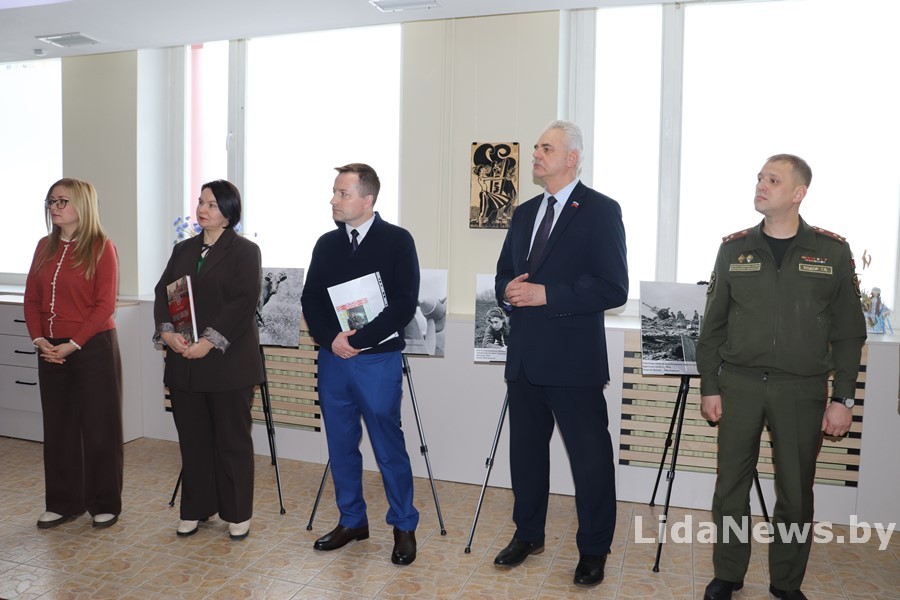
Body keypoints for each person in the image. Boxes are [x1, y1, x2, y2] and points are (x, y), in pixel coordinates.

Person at [697, 154, 866, 600]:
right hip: (740, 385)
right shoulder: (734, 249)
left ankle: (786, 582)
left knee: (795, 491)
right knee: (731, 487)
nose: (761, 185)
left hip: (801, 389)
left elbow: (849, 334)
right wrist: (710, 386)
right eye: (759, 178)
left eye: (773, 180)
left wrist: (842, 398)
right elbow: (712, 328)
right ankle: (728, 573)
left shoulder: (831, 252)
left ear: (798, 193)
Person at [493, 120, 628, 587]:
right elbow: (504, 273)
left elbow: (613, 287)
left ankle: (593, 549)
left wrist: (547, 295)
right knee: (526, 456)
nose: (536, 154)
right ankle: (528, 534)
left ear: (572, 158)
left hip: (573, 362)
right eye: (536, 147)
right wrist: (507, 290)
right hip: (524, 359)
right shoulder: (524, 212)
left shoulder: (600, 210)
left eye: (546, 148)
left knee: (590, 461)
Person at [301, 163, 420, 565]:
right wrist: (330, 339)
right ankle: (352, 520)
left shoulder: (397, 241)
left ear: (367, 200)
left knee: (388, 447)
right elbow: (311, 299)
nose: (333, 200)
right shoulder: (326, 244)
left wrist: (358, 341)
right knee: (340, 445)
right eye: (335, 192)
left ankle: (403, 526)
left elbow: (404, 303)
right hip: (333, 358)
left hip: (377, 360)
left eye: (342, 193)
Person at [153, 180, 263, 541]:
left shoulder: (245, 251)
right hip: (184, 361)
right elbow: (163, 293)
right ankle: (196, 509)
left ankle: (237, 512)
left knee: (231, 441)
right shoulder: (183, 249)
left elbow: (242, 302)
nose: (202, 209)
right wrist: (167, 333)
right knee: (193, 440)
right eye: (201, 202)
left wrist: (208, 342)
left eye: (212, 204)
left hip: (227, 363)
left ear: (229, 213)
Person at [24, 178, 123, 529]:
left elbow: (104, 305)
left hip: (92, 344)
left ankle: (104, 503)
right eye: (51, 201)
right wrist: (39, 339)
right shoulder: (43, 246)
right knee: (59, 427)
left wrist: (74, 343)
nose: (54, 207)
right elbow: (32, 298)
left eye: (62, 201)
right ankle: (64, 502)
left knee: (99, 427)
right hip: (50, 346)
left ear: (82, 205)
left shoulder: (101, 247)